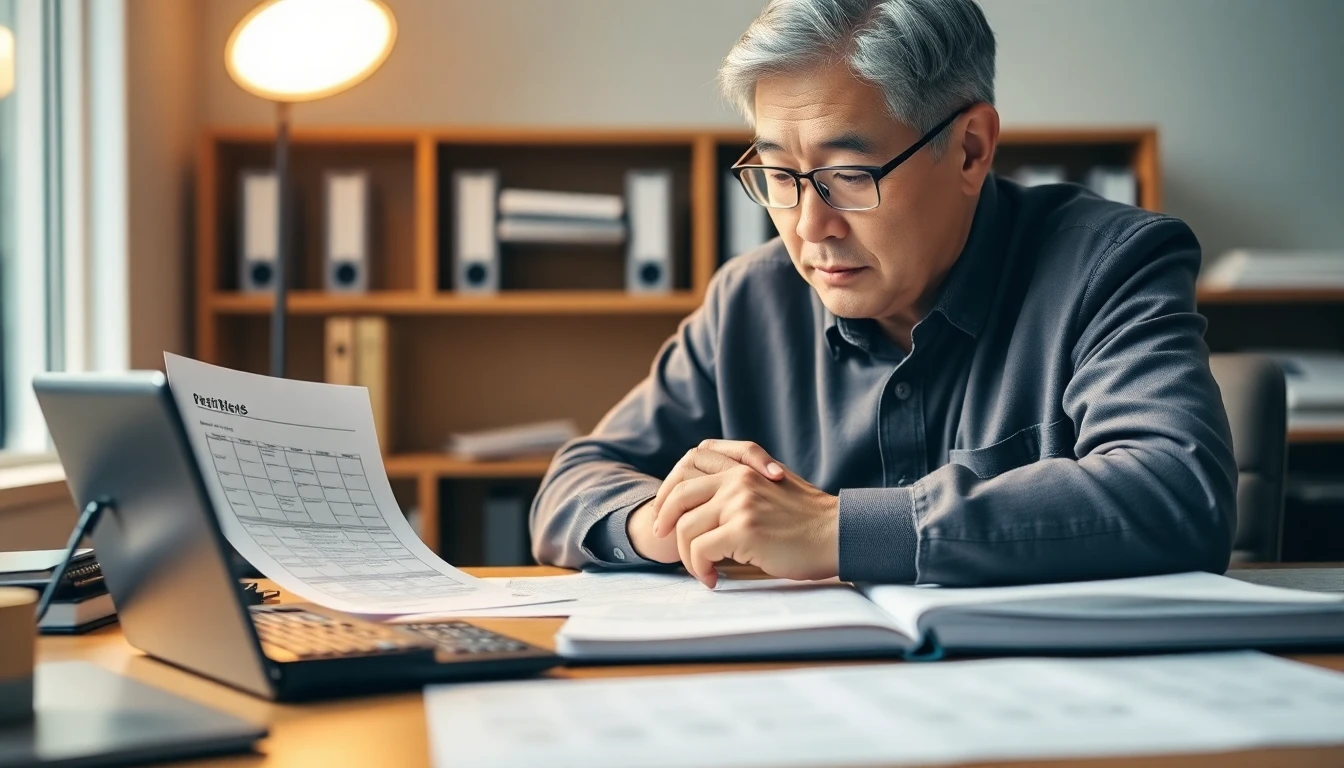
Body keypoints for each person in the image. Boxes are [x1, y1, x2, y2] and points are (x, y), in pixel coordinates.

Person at [530, 0, 1236, 588]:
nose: (810, 227)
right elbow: (573, 483)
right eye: (779, 176)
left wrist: (837, 531)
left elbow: (1177, 492)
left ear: (970, 150)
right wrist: (658, 519)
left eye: (850, 175)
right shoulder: (749, 301)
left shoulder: (1109, 265)